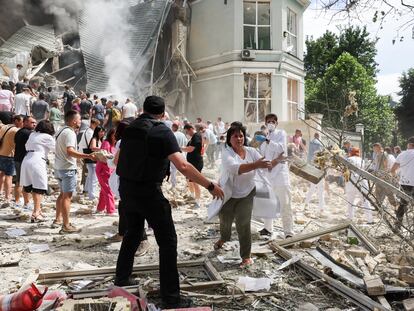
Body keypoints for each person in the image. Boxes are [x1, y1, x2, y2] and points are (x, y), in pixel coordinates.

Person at [114, 96, 223, 309]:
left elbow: (117, 160)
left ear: (143, 109)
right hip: (148, 191)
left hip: (126, 189)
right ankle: (171, 297)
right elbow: (183, 166)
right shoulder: (162, 131)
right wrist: (210, 185)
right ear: (164, 114)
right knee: (168, 241)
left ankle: (122, 278)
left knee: (133, 233)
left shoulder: (130, 128)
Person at [214, 124, 272, 268]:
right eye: (235, 136)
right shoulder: (227, 152)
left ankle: (246, 256)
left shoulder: (251, 151)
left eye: (241, 135)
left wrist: (271, 161)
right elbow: (234, 169)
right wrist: (257, 164)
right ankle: (224, 238)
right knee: (225, 219)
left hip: (247, 192)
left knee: (243, 224)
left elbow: (264, 162)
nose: (239, 139)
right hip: (228, 193)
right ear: (229, 139)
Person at [53, 110, 95, 233]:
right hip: (67, 169)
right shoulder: (70, 133)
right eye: (80, 120)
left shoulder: (61, 130)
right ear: (73, 121)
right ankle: (66, 226)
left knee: (62, 195)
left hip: (59, 167)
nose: (81, 122)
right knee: (67, 197)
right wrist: (88, 156)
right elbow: (70, 151)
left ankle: (58, 219)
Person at [259, 113, 294, 238]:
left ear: (276, 123)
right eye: (268, 121)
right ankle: (268, 228)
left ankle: (288, 231)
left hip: (280, 174)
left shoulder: (281, 134)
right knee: (268, 203)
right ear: (265, 123)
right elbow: (263, 155)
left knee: (285, 203)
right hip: (268, 175)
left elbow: (281, 150)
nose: (271, 123)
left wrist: (268, 141)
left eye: (273, 121)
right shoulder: (264, 139)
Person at [21, 120, 55, 222]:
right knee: (39, 188)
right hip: (38, 160)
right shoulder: (47, 137)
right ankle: (36, 213)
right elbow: (56, 149)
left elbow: (26, 146)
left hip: (27, 159)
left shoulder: (32, 135)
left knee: (30, 186)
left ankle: (38, 210)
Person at [14, 116, 37, 209]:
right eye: (32, 122)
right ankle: (26, 203)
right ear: (25, 122)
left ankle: (17, 201)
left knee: (19, 181)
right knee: (25, 182)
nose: (34, 124)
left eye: (35, 122)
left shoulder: (19, 131)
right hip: (23, 160)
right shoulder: (29, 134)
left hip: (18, 158)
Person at [345, 147, 373, 224]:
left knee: (350, 201)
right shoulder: (362, 160)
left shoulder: (348, 159)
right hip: (362, 182)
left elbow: (345, 170)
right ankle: (370, 220)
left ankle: (350, 219)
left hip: (351, 182)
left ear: (351, 152)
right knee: (365, 201)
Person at [0, 115, 23, 205]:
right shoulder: (16, 131)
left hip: (1, 153)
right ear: (16, 121)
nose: (22, 124)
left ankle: (0, 191)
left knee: (1, 174)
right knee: (9, 176)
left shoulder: (4, 127)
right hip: (10, 155)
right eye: (21, 121)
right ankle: (7, 196)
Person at [391, 137, 414, 228]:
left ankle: (398, 224)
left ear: (409, 144)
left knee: (403, 204)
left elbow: (393, 170)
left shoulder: (402, 154)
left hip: (405, 183)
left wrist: (396, 178)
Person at [96, 128, 116, 215]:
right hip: (103, 170)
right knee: (108, 189)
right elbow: (103, 156)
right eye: (114, 135)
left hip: (108, 170)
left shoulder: (113, 144)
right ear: (110, 135)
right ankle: (110, 210)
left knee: (104, 190)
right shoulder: (106, 143)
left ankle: (100, 208)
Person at [182, 123, 203, 208]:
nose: (187, 133)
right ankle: (193, 196)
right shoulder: (192, 138)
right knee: (189, 181)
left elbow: (190, 149)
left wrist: (180, 148)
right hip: (191, 163)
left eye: (187, 131)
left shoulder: (196, 136)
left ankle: (198, 202)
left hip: (196, 163)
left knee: (195, 182)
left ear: (190, 129)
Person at [304, 133, 326, 214]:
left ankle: (306, 204)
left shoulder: (311, 143)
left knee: (312, 188)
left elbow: (309, 157)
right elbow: (322, 157)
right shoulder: (320, 144)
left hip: (312, 169)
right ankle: (321, 208)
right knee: (320, 190)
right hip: (319, 170)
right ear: (318, 136)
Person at [371, 143, 397, 207]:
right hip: (379, 174)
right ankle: (379, 204)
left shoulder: (383, 154)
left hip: (383, 175)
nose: (373, 149)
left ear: (378, 147)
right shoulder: (378, 154)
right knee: (378, 190)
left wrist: (384, 174)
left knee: (388, 191)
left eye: (374, 148)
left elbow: (385, 165)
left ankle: (395, 204)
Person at [80, 119, 101, 200]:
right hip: (89, 155)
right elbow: (93, 146)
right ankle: (91, 194)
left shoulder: (86, 131)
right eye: (96, 125)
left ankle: (86, 189)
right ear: (92, 124)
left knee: (89, 174)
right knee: (92, 175)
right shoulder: (90, 133)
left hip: (84, 154)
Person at [170, 122, 188, 188]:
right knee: (185, 169)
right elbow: (186, 143)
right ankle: (188, 183)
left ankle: (173, 185)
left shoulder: (172, 134)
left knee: (173, 170)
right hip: (183, 153)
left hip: (175, 154)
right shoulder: (182, 134)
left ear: (173, 127)